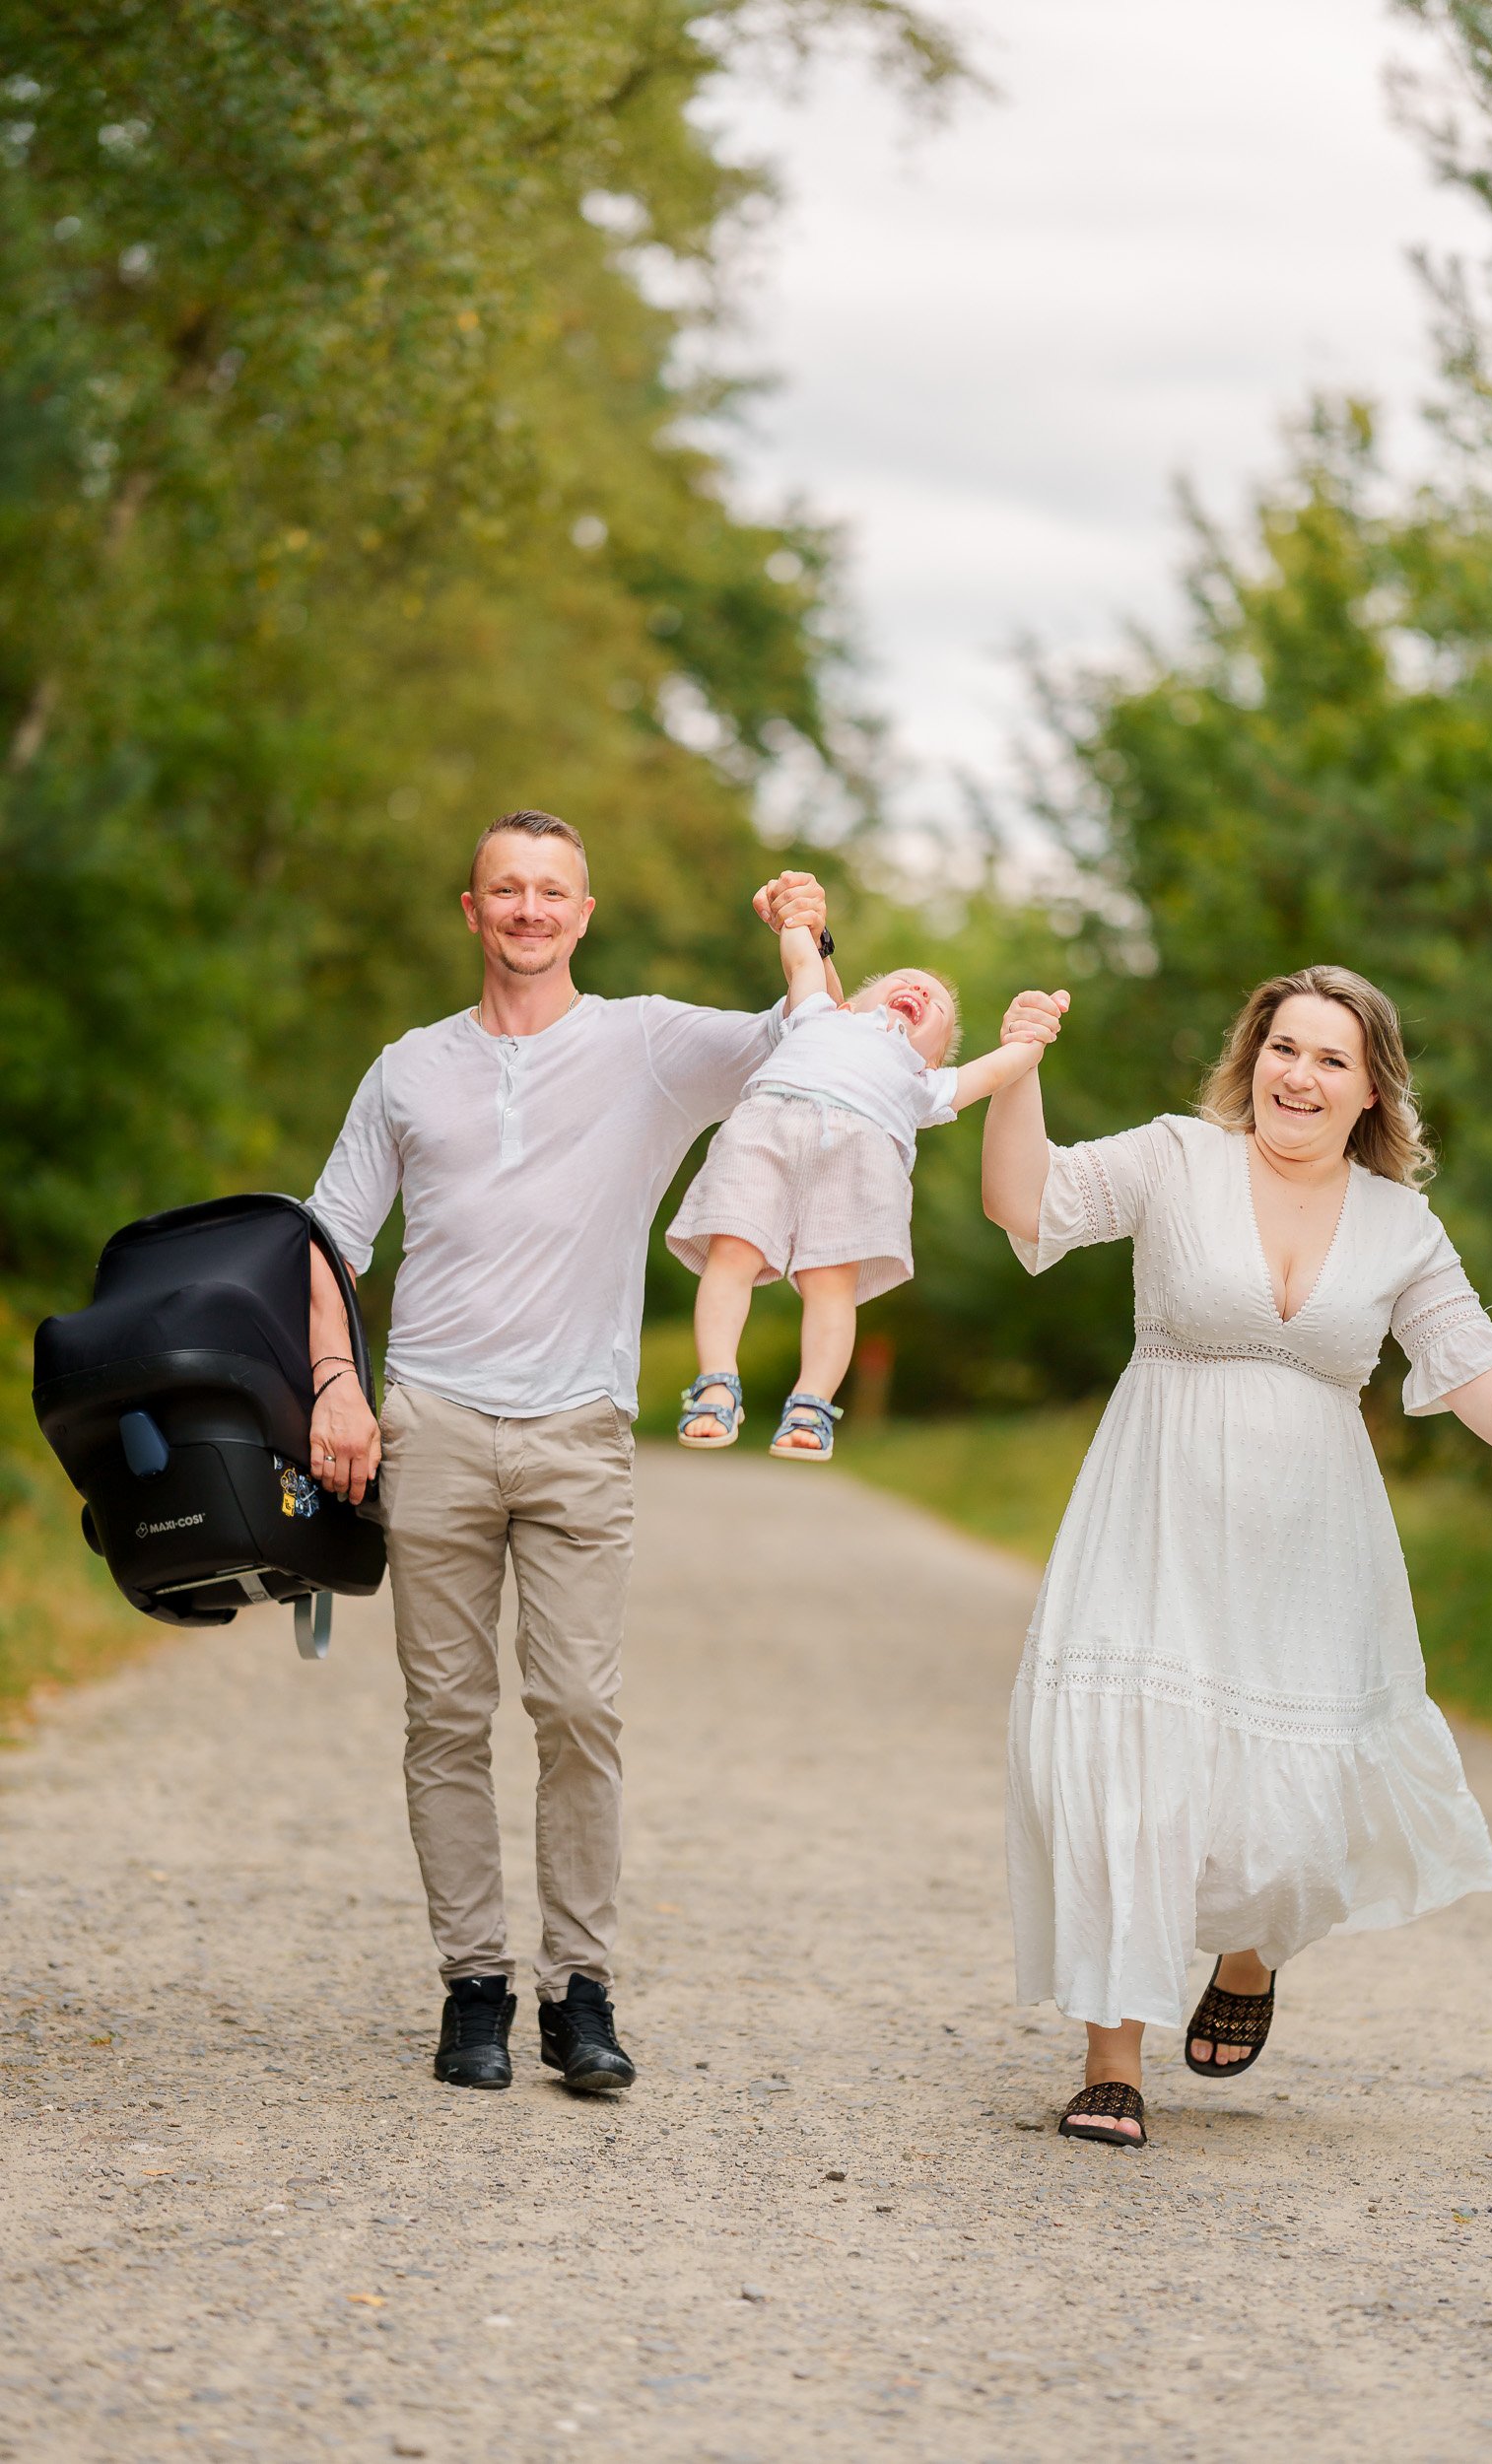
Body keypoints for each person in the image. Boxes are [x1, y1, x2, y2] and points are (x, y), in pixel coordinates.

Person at [981, 965, 1492, 2151]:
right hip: (1154, 1514)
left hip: (1309, 1545)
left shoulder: (1396, 1224)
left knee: (1292, 1802)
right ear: (1250, 1057)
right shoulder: (1178, 1158)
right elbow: (1028, 1201)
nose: (1299, 1076)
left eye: (1329, 1058)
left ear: (1369, 1087)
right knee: (1128, 1772)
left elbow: (1467, 1356)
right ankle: (1110, 2057)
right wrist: (1017, 1070)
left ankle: (1249, 1952)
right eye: (1282, 1048)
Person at [302, 809, 838, 2095]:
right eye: (506, 890)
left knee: (579, 1711)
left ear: (581, 915)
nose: (529, 911)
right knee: (445, 1717)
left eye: (551, 891)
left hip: (577, 1431)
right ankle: (473, 1989)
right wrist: (335, 1384)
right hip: (426, 1420)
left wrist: (806, 936)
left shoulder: (647, 1044)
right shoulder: (407, 1068)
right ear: (471, 911)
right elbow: (322, 1240)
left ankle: (578, 1995)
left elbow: (804, 1048)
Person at [666, 922, 1066, 1460]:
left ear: (934, 1058)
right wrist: (795, 924)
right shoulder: (817, 1016)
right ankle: (716, 1383)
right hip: (764, 1136)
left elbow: (996, 1071)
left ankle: (811, 1404)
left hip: (856, 1166)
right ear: (849, 1004)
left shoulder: (923, 1082)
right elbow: (804, 962)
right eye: (907, 980)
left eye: (938, 1006)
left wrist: (1033, 1037)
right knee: (731, 1253)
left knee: (831, 1285)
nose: (922, 991)